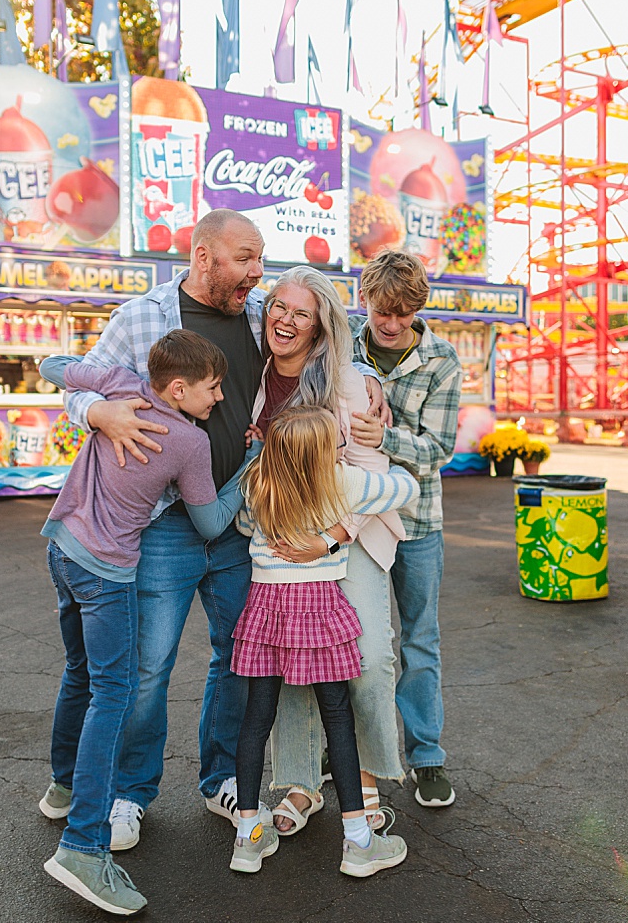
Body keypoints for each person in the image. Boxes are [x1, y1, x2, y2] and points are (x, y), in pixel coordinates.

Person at [63, 209, 388, 851]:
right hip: (166, 524)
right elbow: (78, 383)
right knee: (148, 667)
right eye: (244, 258)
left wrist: (371, 382)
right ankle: (131, 794)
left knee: (240, 658)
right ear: (203, 256)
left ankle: (223, 781)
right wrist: (99, 412)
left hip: (242, 525)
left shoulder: (260, 310)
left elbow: (330, 333)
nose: (256, 272)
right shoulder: (141, 318)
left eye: (259, 259)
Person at [35, 330, 256, 915]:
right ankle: (82, 846)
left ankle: (62, 787)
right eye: (213, 388)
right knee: (115, 693)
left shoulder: (122, 386)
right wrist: (251, 464)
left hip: (62, 548)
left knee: (81, 672)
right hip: (106, 570)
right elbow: (211, 524)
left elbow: (53, 365)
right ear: (178, 388)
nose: (219, 399)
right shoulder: (189, 441)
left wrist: (100, 409)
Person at [244, 267, 408, 835]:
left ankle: (363, 773)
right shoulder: (256, 371)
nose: (286, 320)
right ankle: (300, 780)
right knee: (293, 658)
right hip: (284, 536)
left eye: (301, 314)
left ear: (319, 327)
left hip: (348, 528)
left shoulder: (347, 382)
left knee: (368, 656)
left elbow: (372, 469)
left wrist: (333, 536)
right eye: (279, 307)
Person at [228, 406, 418, 878]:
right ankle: (358, 843)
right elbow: (407, 487)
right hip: (318, 609)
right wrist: (341, 526)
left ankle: (247, 839)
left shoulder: (258, 482)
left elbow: (246, 527)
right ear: (321, 454)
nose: (343, 445)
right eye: (337, 441)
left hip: (266, 609)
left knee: (256, 720)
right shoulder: (342, 482)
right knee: (338, 719)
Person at [347, 250, 462, 807]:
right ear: (364, 299)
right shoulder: (345, 340)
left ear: (418, 309)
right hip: (351, 518)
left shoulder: (442, 359)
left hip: (417, 522)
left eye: (403, 314)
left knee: (419, 639)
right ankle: (344, 752)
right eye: (381, 311)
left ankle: (426, 756)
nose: (390, 324)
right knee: (351, 640)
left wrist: (385, 439)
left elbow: (439, 449)